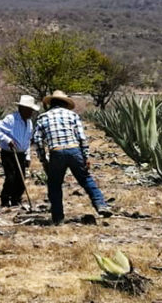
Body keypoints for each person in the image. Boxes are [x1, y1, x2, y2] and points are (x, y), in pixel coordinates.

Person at [33, 90, 112, 225]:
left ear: (51, 103)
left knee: (55, 185)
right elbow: (81, 138)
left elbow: (38, 140)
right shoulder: (72, 115)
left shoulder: (43, 118)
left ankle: (58, 218)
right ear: (64, 103)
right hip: (74, 149)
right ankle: (101, 205)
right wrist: (85, 156)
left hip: (56, 152)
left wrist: (44, 160)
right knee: (85, 179)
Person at [0, 94, 40, 208]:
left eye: (32, 110)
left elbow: (27, 140)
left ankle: (16, 200)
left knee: (21, 178)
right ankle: (5, 199)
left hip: (21, 154)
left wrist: (27, 156)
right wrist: (7, 140)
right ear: (22, 109)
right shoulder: (11, 119)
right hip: (9, 153)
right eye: (29, 110)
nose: (31, 113)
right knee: (11, 177)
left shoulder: (29, 123)